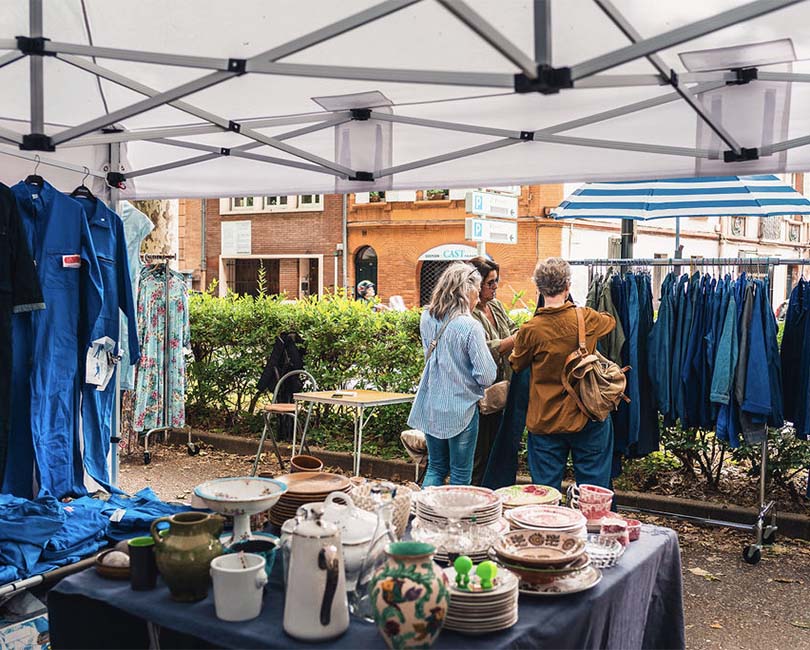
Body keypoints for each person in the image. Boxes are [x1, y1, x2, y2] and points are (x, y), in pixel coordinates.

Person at [509, 258, 616, 492]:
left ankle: (548, 529)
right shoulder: (586, 317)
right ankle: (594, 527)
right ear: (568, 286)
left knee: (545, 493)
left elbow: (516, 363)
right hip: (587, 415)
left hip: (546, 420)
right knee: (594, 491)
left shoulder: (531, 330)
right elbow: (610, 322)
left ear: (538, 288)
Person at [407, 262, 497, 486]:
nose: (478, 295)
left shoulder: (427, 317)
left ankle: (427, 517)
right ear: (466, 290)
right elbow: (487, 376)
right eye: (476, 289)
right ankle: (453, 520)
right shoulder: (470, 326)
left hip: (431, 404)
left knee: (436, 468)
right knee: (460, 473)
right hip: (462, 408)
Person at [467, 256, 518, 486]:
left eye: (496, 281)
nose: (495, 287)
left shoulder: (496, 306)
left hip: (502, 390)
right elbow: (483, 348)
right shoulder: (468, 313)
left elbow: (512, 328)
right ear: (475, 285)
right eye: (490, 283)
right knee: (480, 454)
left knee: (499, 449)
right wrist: (514, 340)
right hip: (480, 394)